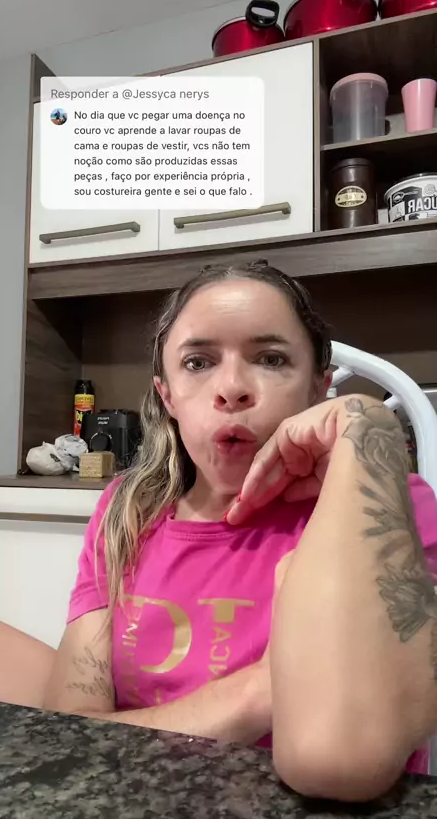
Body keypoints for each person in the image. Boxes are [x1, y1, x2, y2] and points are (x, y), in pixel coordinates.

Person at [43, 261, 437, 802]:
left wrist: (369, 424)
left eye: (271, 359)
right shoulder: (125, 512)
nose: (231, 389)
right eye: (198, 362)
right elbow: (74, 731)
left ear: (319, 388)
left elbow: (342, 759)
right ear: (167, 396)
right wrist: (268, 687)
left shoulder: (393, 505)